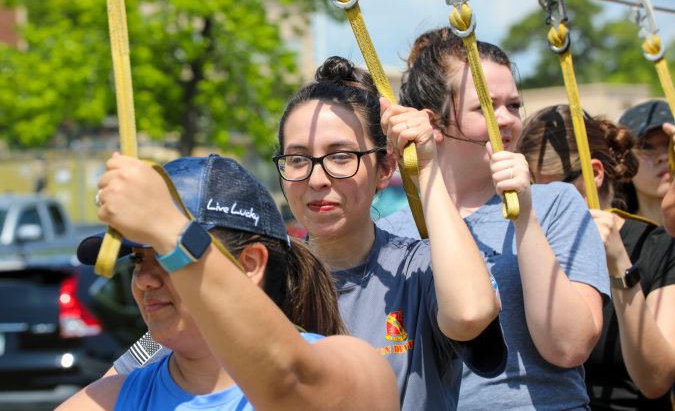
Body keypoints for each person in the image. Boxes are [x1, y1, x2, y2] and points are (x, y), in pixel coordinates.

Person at [110, 56, 507, 411]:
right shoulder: (254, 273)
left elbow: (471, 314)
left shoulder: (420, 268)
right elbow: (125, 373)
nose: (317, 179)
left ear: (385, 169)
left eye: (341, 156)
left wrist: (428, 168)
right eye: (297, 159)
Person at [377, 28, 608, 410]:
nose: (508, 120)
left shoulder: (556, 203)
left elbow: (569, 346)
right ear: (433, 124)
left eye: (514, 105)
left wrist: (524, 216)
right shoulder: (391, 232)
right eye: (486, 106)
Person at [56, 154, 399, 411]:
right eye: (137, 259)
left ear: (250, 265)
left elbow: (287, 384)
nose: (144, 279)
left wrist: (169, 229)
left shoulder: (354, 366)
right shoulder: (113, 398)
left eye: (162, 254)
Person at [519, 104, 675, 410]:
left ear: (594, 174)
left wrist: (619, 265)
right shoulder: (531, 251)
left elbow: (656, 381)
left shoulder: (656, 246)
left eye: (548, 190)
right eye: (529, 192)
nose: (535, 204)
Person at [617, 100, 674, 225]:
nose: (664, 156)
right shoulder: (612, 234)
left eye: (671, 144)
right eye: (646, 147)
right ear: (624, 164)